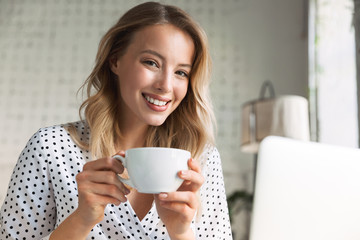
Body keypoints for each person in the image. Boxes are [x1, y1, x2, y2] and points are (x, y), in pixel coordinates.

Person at [0, 2, 233, 240]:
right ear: (115, 61)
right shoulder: (51, 148)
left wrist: (181, 232)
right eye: (151, 62)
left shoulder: (200, 159)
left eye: (181, 72)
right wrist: (81, 220)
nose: (165, 85)